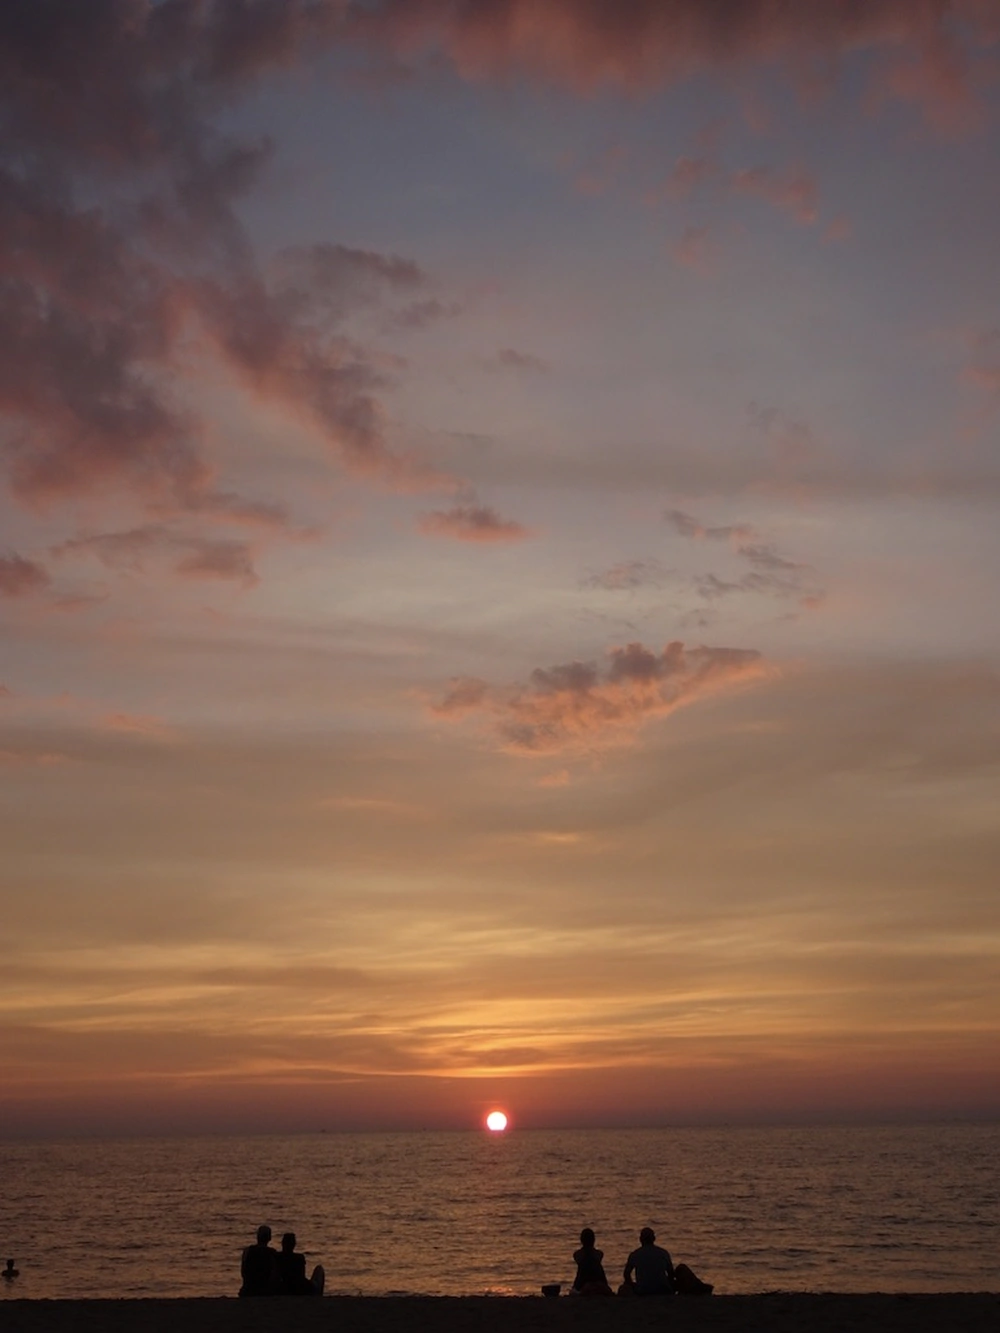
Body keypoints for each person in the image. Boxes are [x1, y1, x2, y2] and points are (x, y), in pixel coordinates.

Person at [621, 1226, 675, 1296]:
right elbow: (671, 1273)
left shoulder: (635, 1254)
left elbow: (626, 1274)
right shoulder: (663, 1253)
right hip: (663, 1290)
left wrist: (632, 1284)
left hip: (642, 1291)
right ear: (654, 1239)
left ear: (640, 1239)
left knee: (623, 1288)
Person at [276, 1232, 325, 1296]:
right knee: (319, 1269)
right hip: (298, 1288)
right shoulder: (299, 1258)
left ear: (282, 1243)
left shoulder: (277, 1256)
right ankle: (318, 1294)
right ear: (294, 1244)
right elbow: (302, 1276)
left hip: (284, 1288)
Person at [570, 1228, 613, 1297]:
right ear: (594, 1240)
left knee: (573, 1292)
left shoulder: (578, 1254)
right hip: (599, 1282)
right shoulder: (599, 1254)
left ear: (581, 1240)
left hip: (584, 1283)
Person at [239, 1224, 278, 1297]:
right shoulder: (272, 1253)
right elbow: (274, 1274)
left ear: (257, 1237)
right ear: (269, 1238)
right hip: (265, 1289)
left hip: (249, 1288)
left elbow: (243, 1272)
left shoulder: (247, 1251)